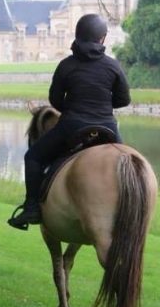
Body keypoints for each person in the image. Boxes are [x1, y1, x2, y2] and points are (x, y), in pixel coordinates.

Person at [7, 13, 131, 230]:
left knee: (33, 157)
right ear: (102, 38)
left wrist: (73, 110)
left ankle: (32, 208)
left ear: (77, 36)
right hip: (108, 128)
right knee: (129, 165)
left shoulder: (66, 65)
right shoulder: (113, 66)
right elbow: (123, 100)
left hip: (72, 126)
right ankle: (130, 211)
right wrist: (101, 106)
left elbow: (54, 99)